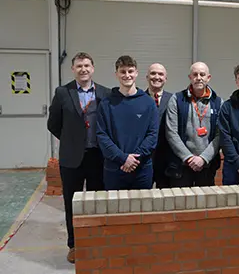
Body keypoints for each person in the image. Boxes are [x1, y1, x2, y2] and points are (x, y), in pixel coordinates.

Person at [47, 52, 110, 263]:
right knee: (71, 203)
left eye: (87, 65)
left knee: (96, 202)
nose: (83, 69)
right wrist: (71, 141)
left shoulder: (105, 93)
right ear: (73, 69)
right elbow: (53, 124)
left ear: (93, 68)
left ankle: (96, 241)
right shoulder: (63, 92)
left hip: (97, 157)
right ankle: (74, 244)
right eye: (79, 66)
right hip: (71, 159)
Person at [96, 55, 159, 190]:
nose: (127, 75)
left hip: (141, 169)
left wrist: (134, 160)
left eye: (130, 71)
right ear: (116, 74)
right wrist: (123, 158)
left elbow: (152, 135)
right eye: (123, 71)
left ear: (136, 73)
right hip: (114, 169)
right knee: (114, 209)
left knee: (142, 210)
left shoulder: (148, 103)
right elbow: (102, 135)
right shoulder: (106, 104)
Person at [165, 61, 222, 187]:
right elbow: (171, 132)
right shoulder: (177, 99)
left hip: (207, 166)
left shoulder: (218, 103)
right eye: (195, 74)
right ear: (190, 77)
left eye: (202, 74)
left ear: (208, 77)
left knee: (205, 204)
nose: (199, 78)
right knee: (181, 204)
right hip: (181, 166)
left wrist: (203, 158)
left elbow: (219, 135)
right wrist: (189, 158)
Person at [145, 63, 172, 188]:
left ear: (166, 78)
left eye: (160, 74)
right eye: (153, 73)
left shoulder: (174, 100)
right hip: (145, 158)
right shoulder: (139, 98)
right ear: (147, 77)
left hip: (167, 160)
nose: (157, 77)